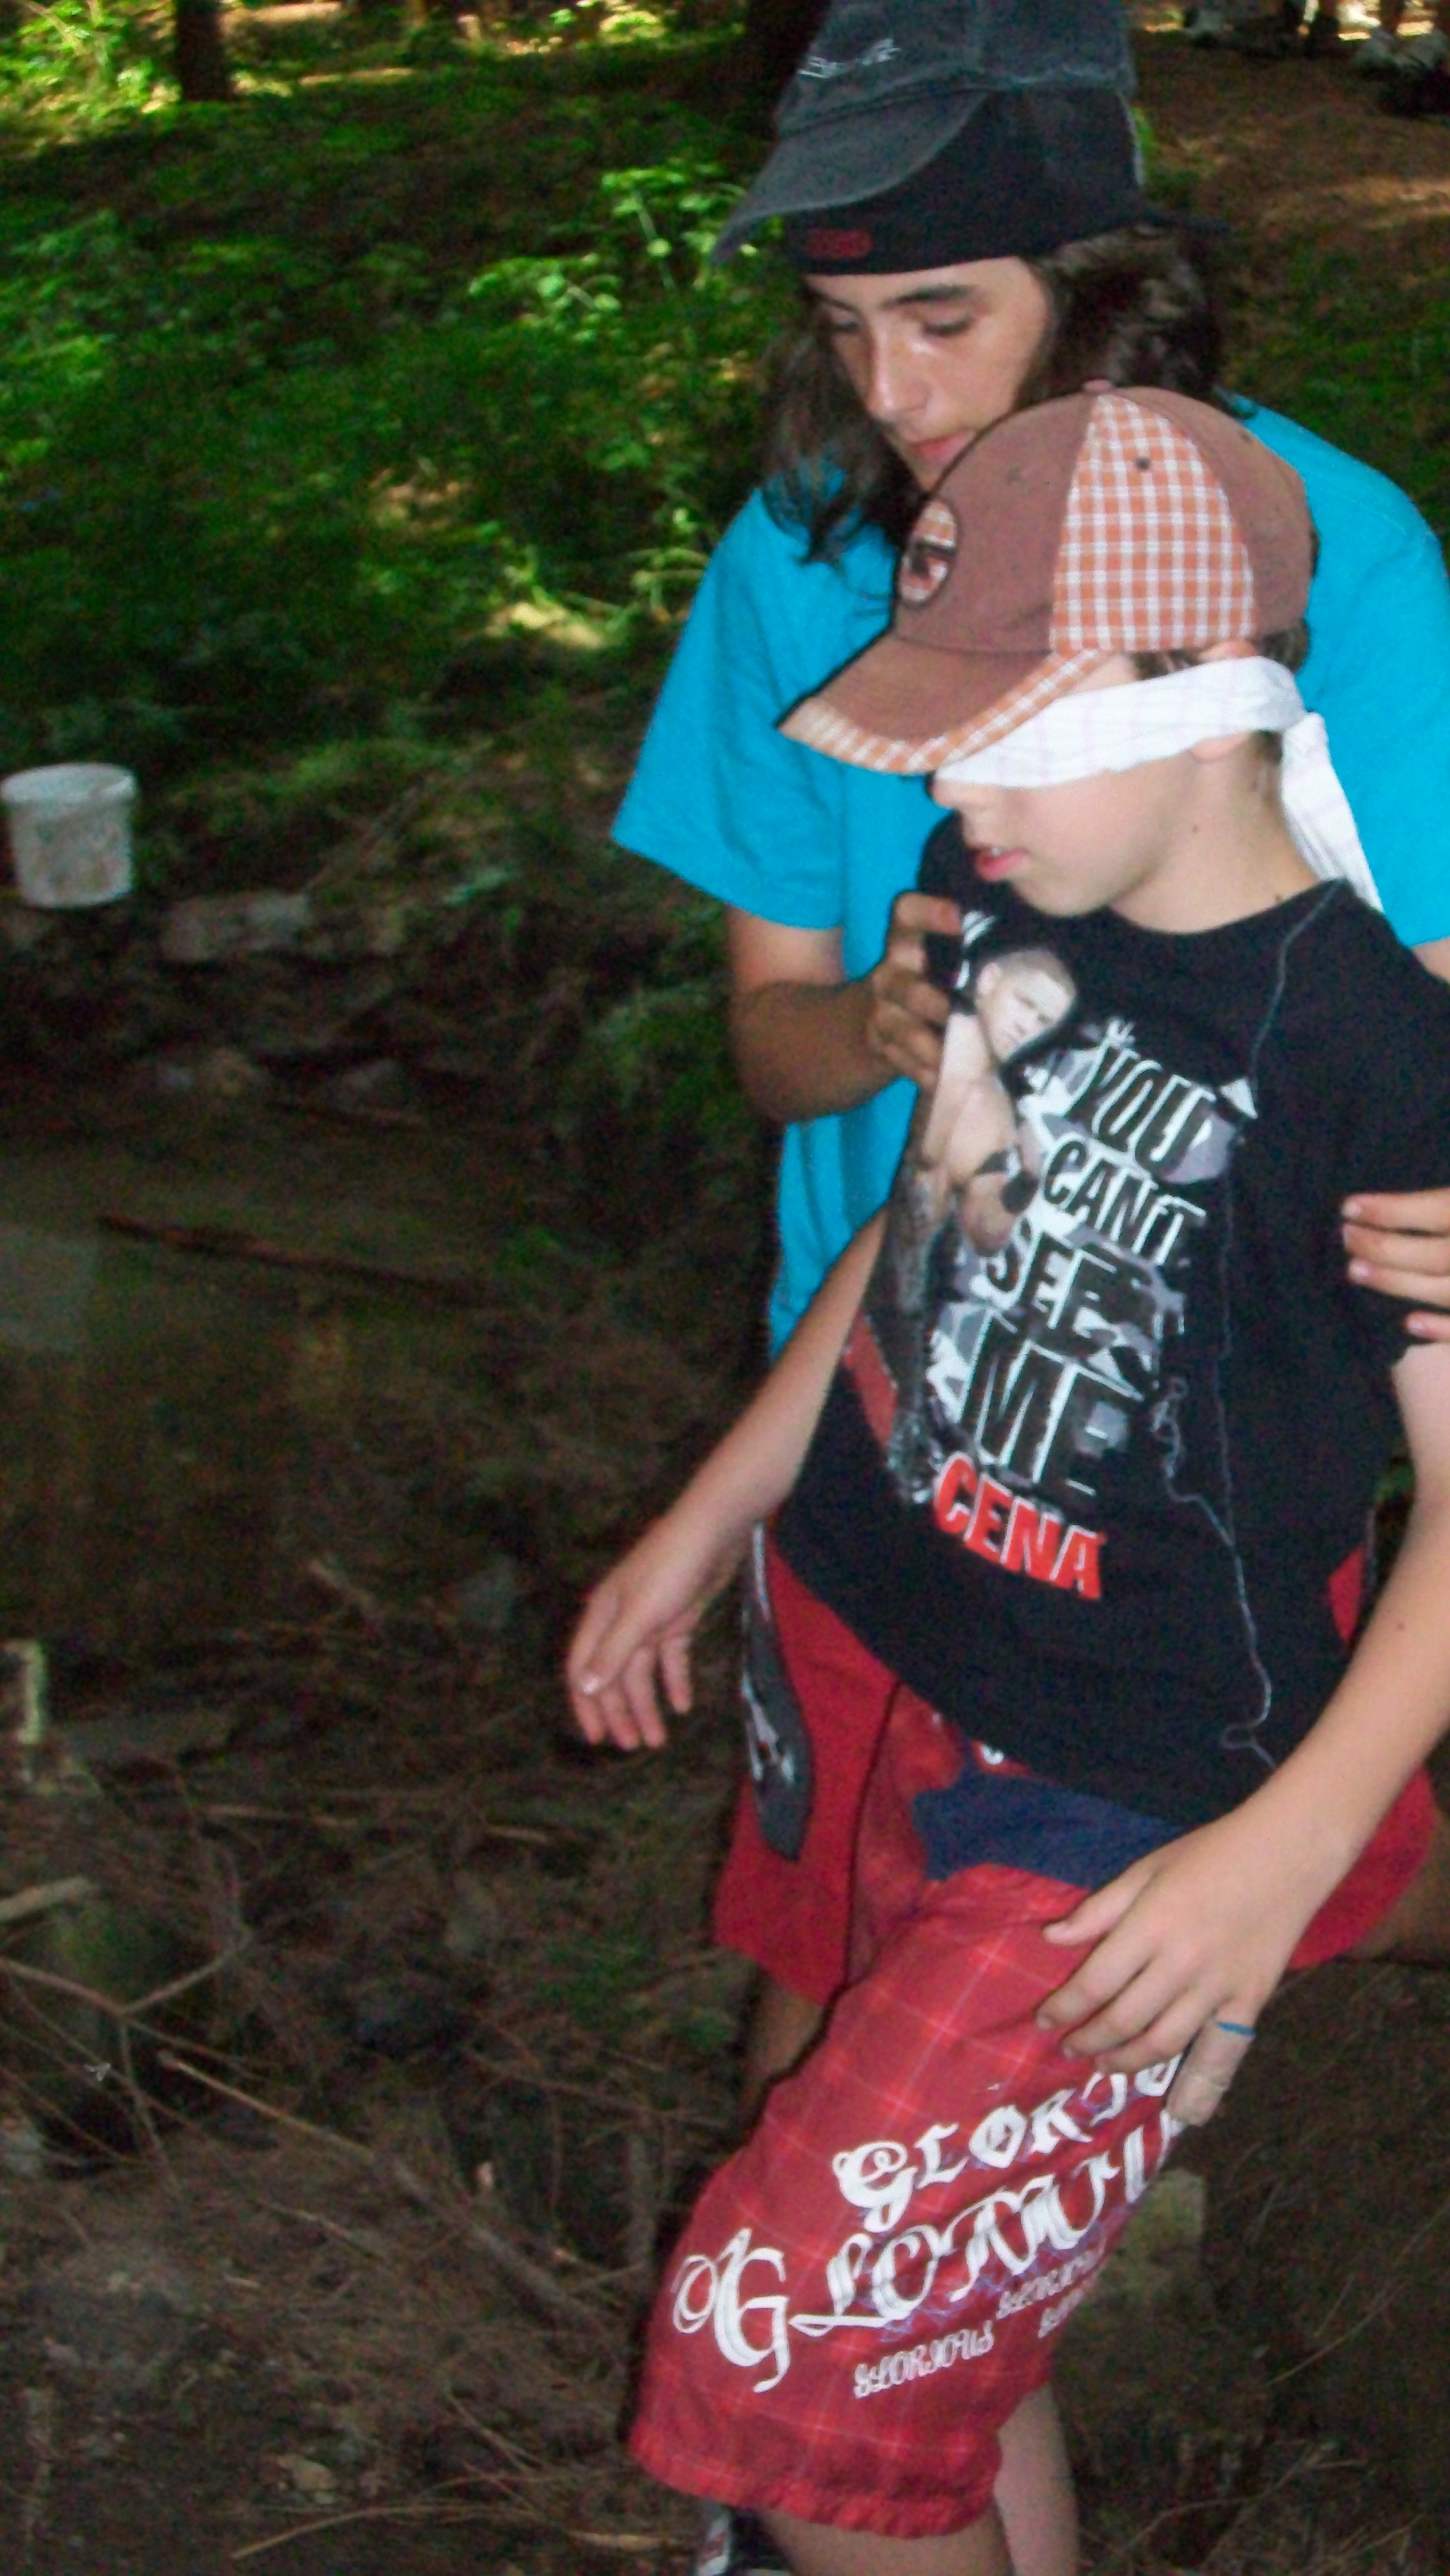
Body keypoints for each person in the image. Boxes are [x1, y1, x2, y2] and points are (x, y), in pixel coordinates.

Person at [572, 386, 1450, 2576]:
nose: (952, 791)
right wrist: (717, 1508)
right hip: (878, 1642)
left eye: (1001, 734)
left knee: (788, 2359)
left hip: (1123, 1796)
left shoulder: (1373, 1053)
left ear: (1205, 688)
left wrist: (1274, 1862)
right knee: (938, 2352)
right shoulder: (998, 892)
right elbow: (922, 1232)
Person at [612, 0, 1450, 2111]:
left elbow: (1413, 1044)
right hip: (880, 1406)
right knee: (832, 1953)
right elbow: (776, 1048)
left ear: (1105, 295)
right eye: (841, 330)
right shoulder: (798, 555)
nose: (892, 398)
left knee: (1071, 1962)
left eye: (944, 318)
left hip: (1180, 1469)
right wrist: (872, 1029)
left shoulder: (1325, 560)